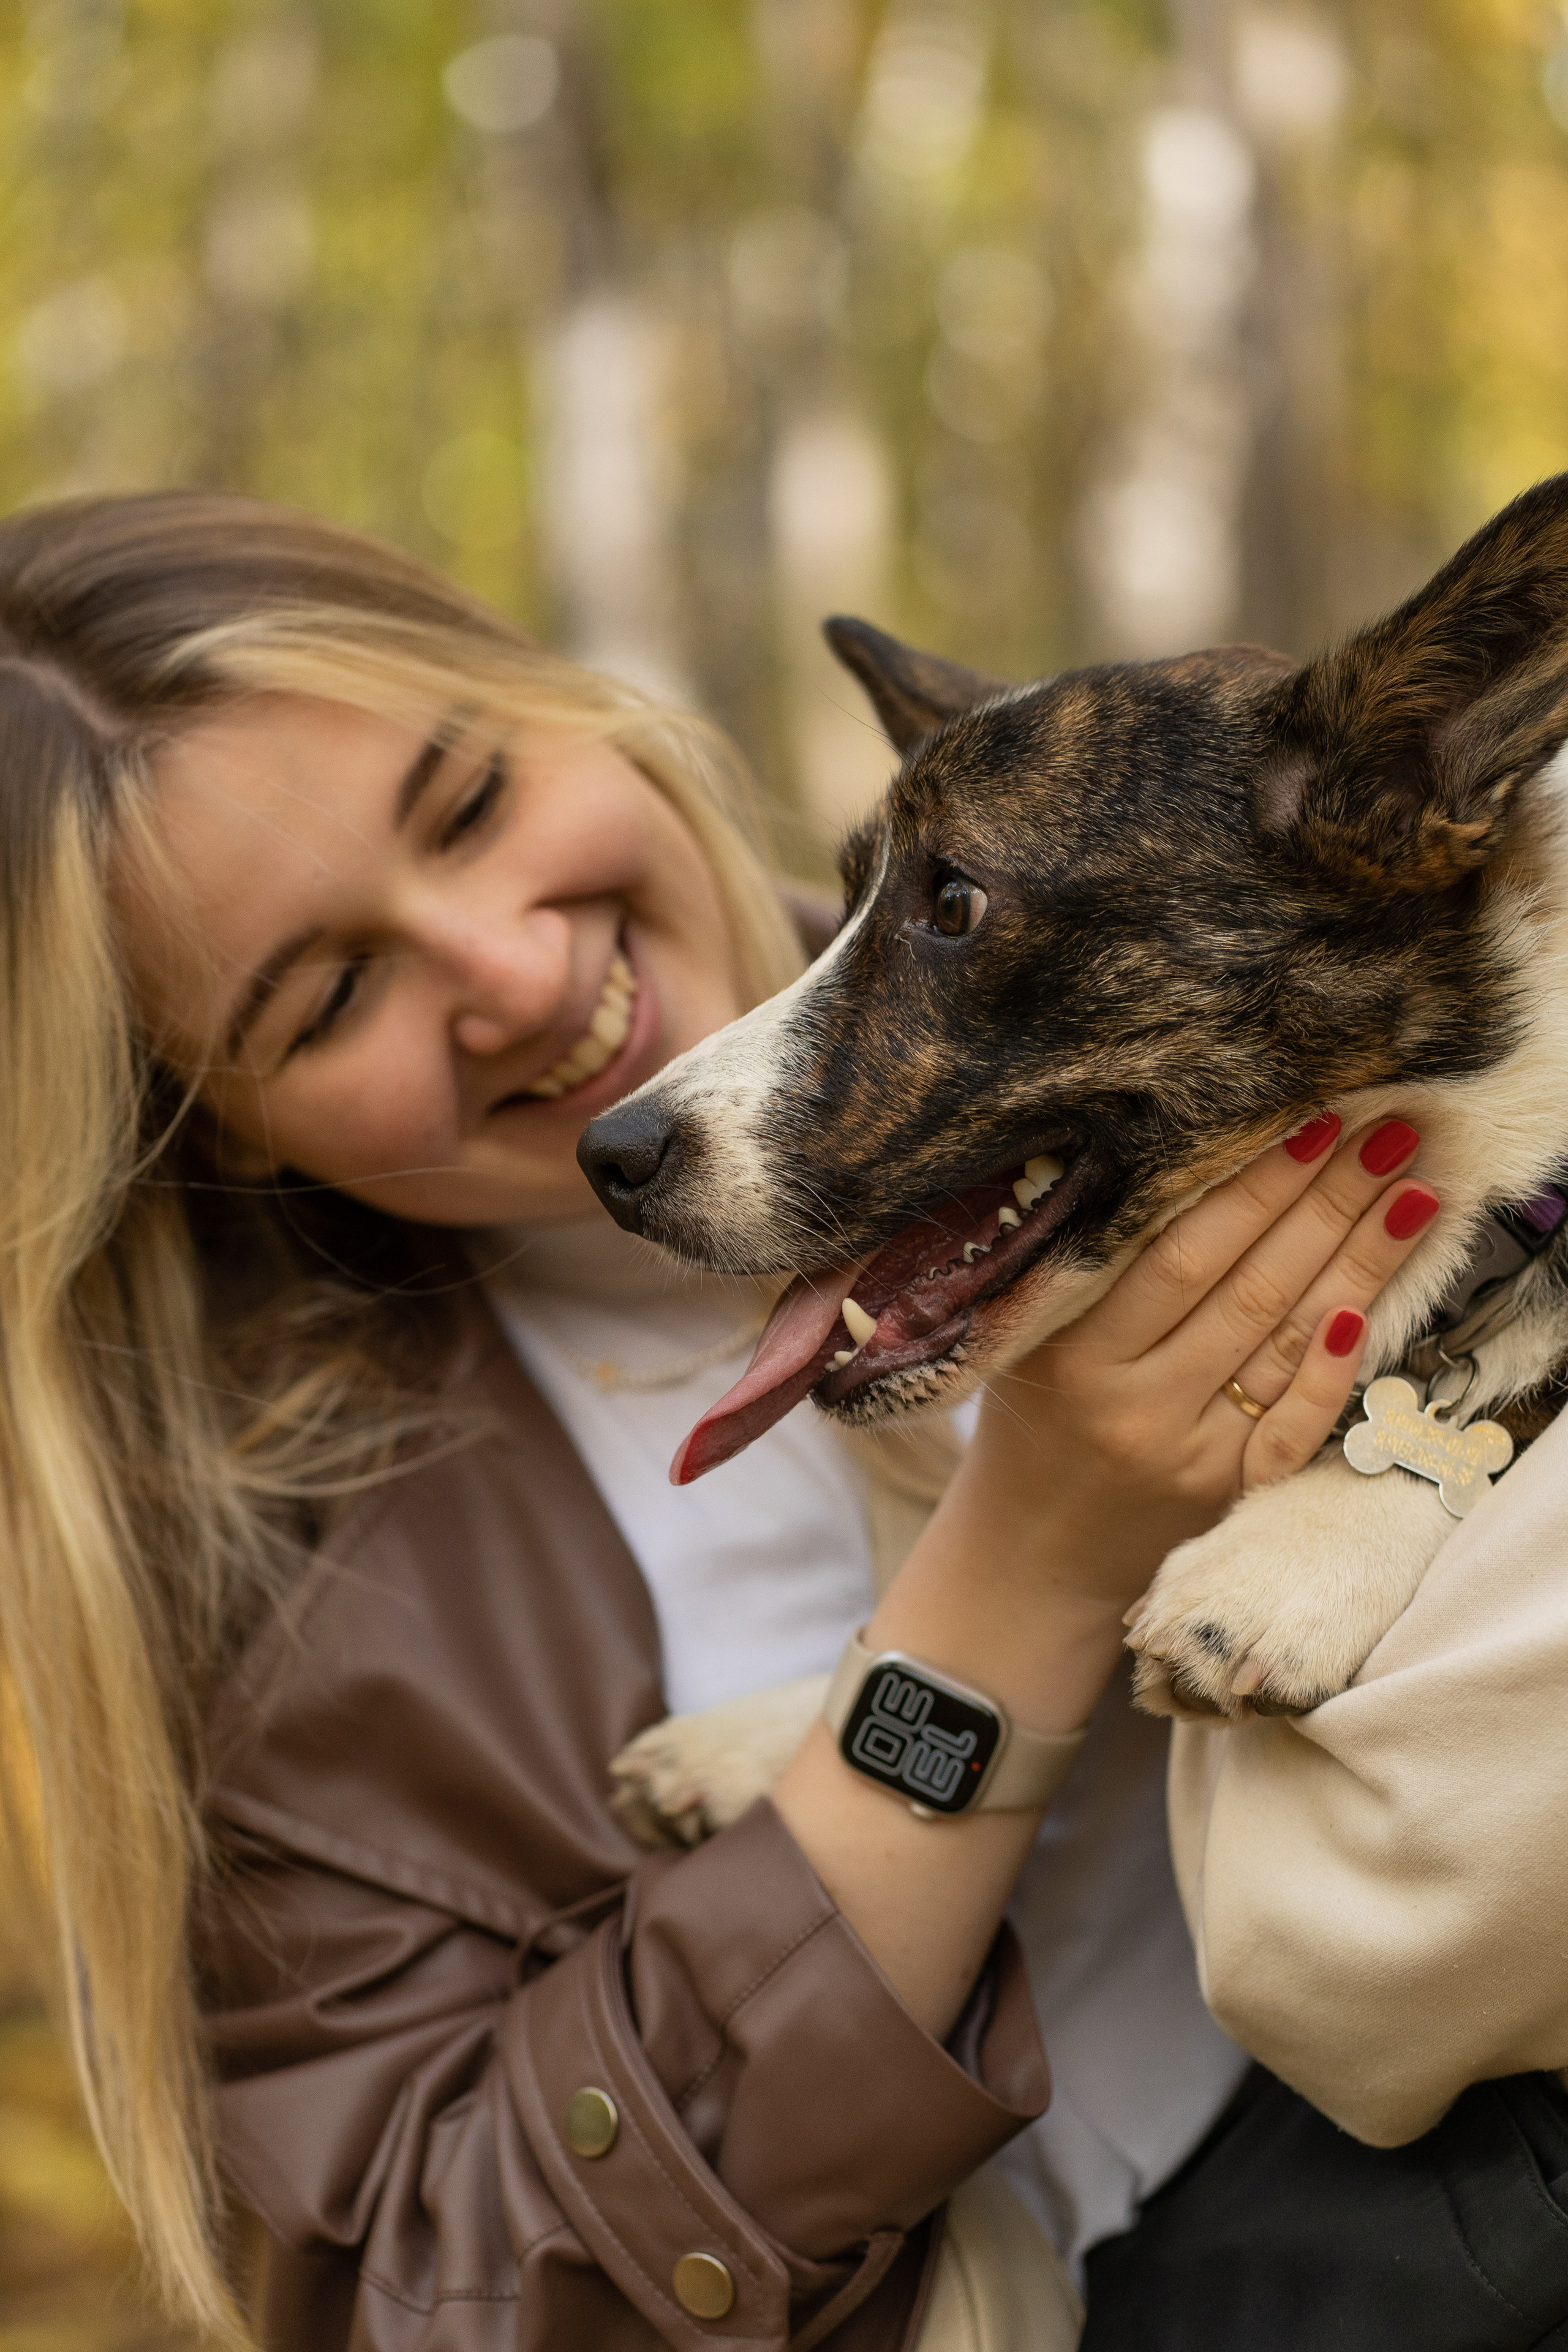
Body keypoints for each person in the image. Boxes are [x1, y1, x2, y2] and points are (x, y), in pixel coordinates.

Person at [0, 490, 1455, 2351]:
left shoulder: (1168, 964)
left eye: (469, 803)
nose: (516, 977)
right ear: (212, 1128)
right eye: (335, 992)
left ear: (574, 704)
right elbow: (445, 2302)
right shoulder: (291, 1604)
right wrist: (1020, 1578)